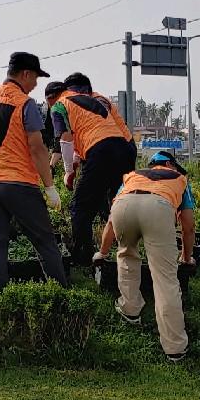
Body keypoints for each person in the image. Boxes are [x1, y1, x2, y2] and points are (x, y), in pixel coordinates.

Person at [0, 52, 69, 289]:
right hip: (18, 184)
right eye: (35, 78)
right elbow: (37, 148)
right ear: (25, 73)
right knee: (45, 241)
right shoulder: (24, 103)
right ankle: (60, 297)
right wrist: (49, 187)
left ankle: (1, 298)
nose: (35, 84)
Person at [95, 151, 196, 362]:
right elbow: (188, 225)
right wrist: (186, 258)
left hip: (123, 208)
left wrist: (102, 253)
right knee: (165, 278)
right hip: (157, 209)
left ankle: (130, 309)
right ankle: (174, 347)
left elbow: (111, 222)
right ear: (170, 164)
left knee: (126, 255)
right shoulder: (178, 178)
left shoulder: (132, 176)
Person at [50, 72, 136, 264]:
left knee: (80, 206)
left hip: (100, 152)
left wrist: (69, 172)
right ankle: (126, 252)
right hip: (124, 149)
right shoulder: (100, 100)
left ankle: (84, 257)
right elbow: (104, 134)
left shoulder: (60, 105)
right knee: (118, 205)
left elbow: (65, 139)